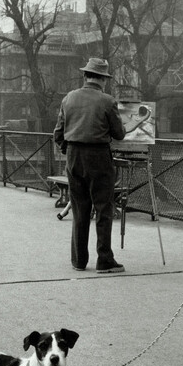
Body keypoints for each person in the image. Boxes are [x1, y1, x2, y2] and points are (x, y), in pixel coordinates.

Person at [54, 57, 126, 273]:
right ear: (103, 79)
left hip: (74, 157)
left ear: (85, 76)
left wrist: (69, 150)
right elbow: (119, 134)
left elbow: (58, 133)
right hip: (98, 157)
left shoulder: (68, 99)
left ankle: (79, 260)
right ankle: (104, 260)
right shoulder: (107, 101)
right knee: (103, 208)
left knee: (79, 208)